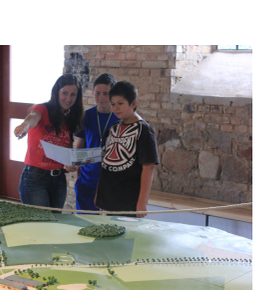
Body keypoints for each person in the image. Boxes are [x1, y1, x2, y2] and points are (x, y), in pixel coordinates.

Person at [14, 74, 84, 212]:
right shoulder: (42, 109)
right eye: (64, 93)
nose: (68, 98)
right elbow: (33, 117)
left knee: (53, 225)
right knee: (40, 225)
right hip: (35, 178)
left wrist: (70, 163)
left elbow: (67, 149)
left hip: (58, 180)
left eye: (73, 95)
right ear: (56, 92)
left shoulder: (71, 118)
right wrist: (24, 126)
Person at [96, 80, 159, 218]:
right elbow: (106, 162)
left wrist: (142, 203)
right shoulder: (112, 129)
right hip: (109, 198)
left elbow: (149, 167)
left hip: (129, 200)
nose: (116, 108)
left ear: (133, 104)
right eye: (113, 104)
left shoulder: (144, 130)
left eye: (120, 104)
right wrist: (99, 193)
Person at [73, 73, 118, 214]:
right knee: (85, 223)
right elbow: (80, 144)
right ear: (93, 93)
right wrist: (76, 167)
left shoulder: (120, 117)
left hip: (111, 181)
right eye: (98, 93)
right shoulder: (87, 115)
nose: (101, 98)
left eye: (106, 94)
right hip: (87, 180)